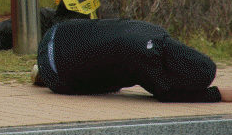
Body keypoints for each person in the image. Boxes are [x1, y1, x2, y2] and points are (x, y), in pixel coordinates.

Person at [33, 17, 232, 103]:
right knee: (110, 86)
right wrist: (216, 94)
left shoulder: (155, 30)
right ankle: (42, 74)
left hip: (57, 33)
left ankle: (41, 70)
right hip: (57, 76)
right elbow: (168, 95)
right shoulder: (153, 73)